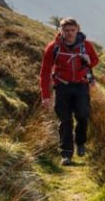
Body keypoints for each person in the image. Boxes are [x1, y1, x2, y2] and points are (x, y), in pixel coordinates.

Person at [39, 17, 99, 165]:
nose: (69, 33)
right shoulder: (53, 47)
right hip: (62, 87)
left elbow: (95, 60)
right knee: (65, 120)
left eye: (72, 30)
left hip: (81, 86)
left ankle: (80, 142)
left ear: (77, 29)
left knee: (83, 116)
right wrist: (45, 96)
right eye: (66, 30)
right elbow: (45, 72)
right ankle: (66, 154)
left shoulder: (86, 46)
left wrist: (88, 60)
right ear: (61, 31)